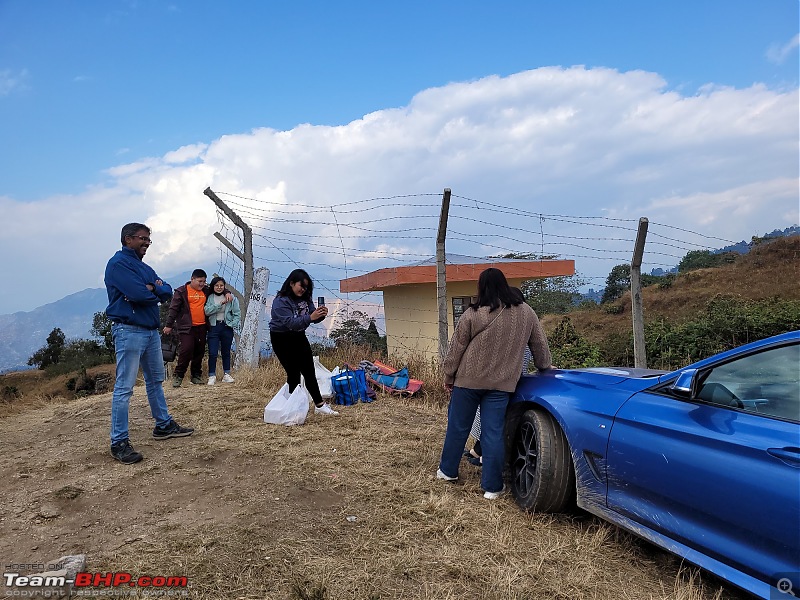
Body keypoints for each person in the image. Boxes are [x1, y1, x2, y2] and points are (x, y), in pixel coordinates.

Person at [437, 268, 552, 499]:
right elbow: (539, 345)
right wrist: (544, 367)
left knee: (458, 427)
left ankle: (448, 471)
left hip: (468, 380)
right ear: (504, 284)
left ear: (482, 286)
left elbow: (456, 349)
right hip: (502, 384)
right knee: (493, 433)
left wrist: (449, 376)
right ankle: (492, 487)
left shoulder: (473, 313)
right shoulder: (527, 313)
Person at [104, 223, 194, 464]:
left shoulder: (143, 267)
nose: (146, 243)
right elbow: (138, 294)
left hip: (150, 332)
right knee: (125, 387)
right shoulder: (118, 264)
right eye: (142, 238)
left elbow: (168, 292)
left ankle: (163, 425)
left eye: (148, 239)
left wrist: (152, 287)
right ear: (127, 239)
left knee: (155, 380)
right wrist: (151, 290)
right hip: (128, 330)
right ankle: (119, 441)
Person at [269, 269, 338, 416]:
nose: (303, 289)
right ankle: (291, 406)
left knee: (309, 371)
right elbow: (291, 323)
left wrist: (320, 315)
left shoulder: (305, 298)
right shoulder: (280, 301)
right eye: (301, 286)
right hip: (281, 338)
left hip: (298, 336)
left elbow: (311, 316)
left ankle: (319, 405)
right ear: (292, 283)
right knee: (293, 373)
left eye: (306, 287)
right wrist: (311, 317)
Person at [163, 269, 231, 387]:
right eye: (200, 281)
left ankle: (196, 376)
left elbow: (218, 288)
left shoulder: (205, 290)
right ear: (192, 279)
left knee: (199, 351)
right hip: (186, 327)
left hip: (202, 326)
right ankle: (178, 376)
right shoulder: (182, 291)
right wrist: (168, 325)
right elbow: (173, 309)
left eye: (204, 281)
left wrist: (227, 292)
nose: (202, 284)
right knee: (187, 350)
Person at [204, 276, 241, 385]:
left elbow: (237, 313)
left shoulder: (231, 298)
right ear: (213, 286)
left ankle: (227, 373)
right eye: (216, 285)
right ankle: (211, 375)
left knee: (226, 351)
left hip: (226, 326)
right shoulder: (210, 297)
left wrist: (232, 324)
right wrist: (220, 304)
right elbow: (207, 311)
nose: (219, 287)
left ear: (224, 286)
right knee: (213, 352)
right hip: (213, 327)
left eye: (221, 285)